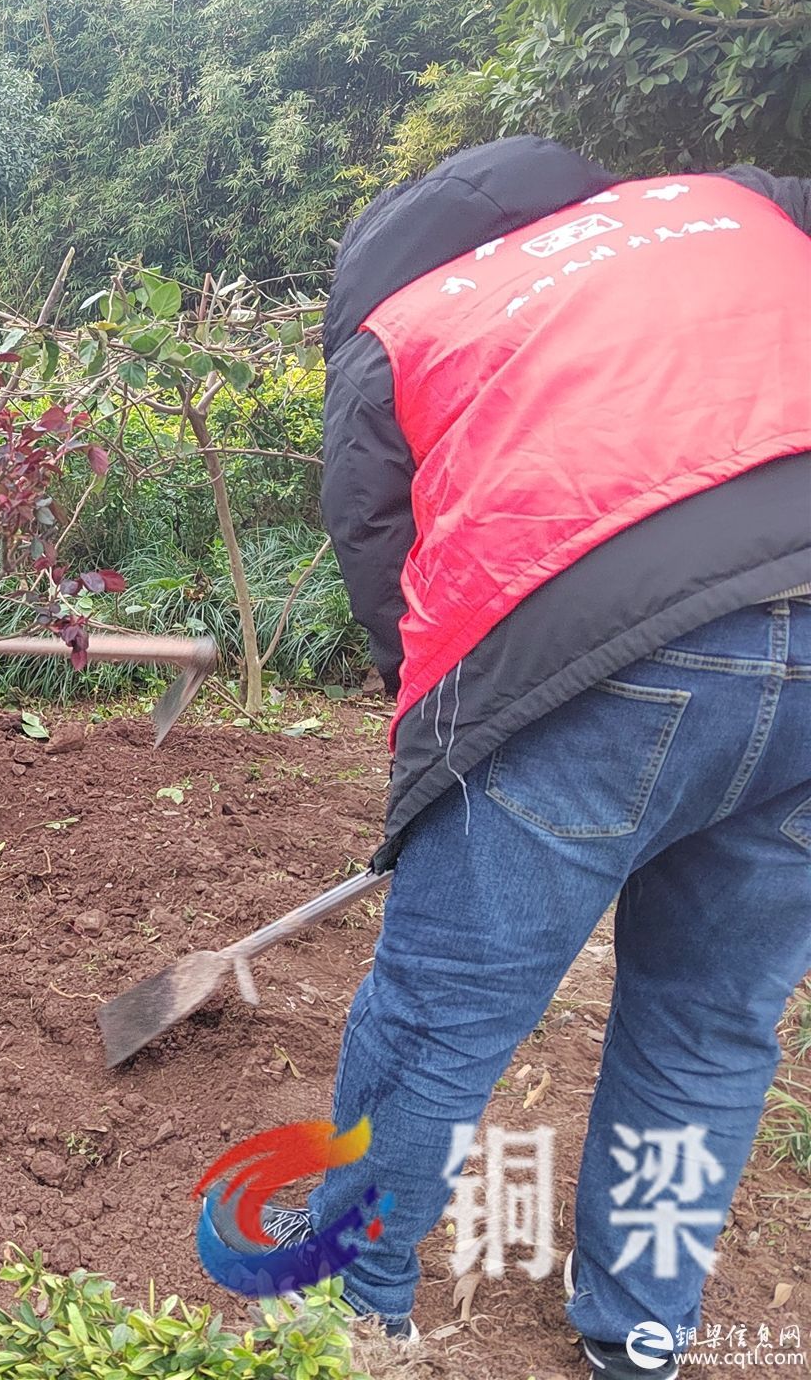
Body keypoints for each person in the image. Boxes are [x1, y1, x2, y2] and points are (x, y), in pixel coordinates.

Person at [263, 137, 810, 1379]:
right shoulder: (733, 208)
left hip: (593, 645)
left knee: (438, 1015)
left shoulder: (408, 323)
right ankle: (640, 1339)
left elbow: (380, 560)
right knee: (711, 1027)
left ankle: (346, 1314)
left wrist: (443, 752)